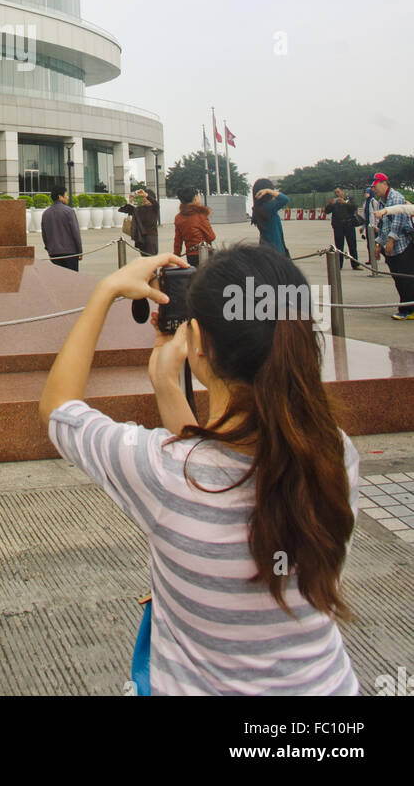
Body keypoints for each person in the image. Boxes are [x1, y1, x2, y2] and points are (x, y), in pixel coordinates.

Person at [39, 245, 359, 695]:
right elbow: (209, 463)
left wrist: (106, 290)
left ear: (201, 344)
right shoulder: (334, 454)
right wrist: (166, 386)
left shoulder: (160, 471)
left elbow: (59, 409)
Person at [370, 173, 414, 320]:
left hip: (402, 245)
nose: (374, 190)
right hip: (392, 247)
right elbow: (384, 225)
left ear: (384, 183)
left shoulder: (395, 197)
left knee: (406, 278)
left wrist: (391, 240)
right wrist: (378, 244)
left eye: (375, 186)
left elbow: (399, 219)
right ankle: (406, 307)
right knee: (398, 278)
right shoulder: (382, 201)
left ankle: (408, 309)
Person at [40, 185, 82, 271]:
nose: (67, 198)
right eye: (66, 195)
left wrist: (49, 249)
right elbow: (75, 233)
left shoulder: (45, 213)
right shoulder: (69, 211)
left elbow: (44, 235)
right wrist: (80, 251)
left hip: (54, 253)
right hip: (70, 253)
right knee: (72, 280)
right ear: (60, 197)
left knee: (59, 281)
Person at [172, 187, 215, 270]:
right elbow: (212, 237)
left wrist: (175, 257)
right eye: (199, 195)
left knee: (195, 278)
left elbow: (178, 241)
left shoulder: (178, 217)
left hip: (190, 255)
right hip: (205, 254)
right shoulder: (200, 215)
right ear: (195, 198)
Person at [250, 178, 289, 255]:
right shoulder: (268, 207)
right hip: (275, 251)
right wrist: (268, 190)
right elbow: (285, 199)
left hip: (266, 249)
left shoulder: (259, 208)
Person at [325, 187, 360, 269]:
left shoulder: (349, 199)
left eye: (338, 192)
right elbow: (327, 211)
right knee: (339, 246)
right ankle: (339, 265)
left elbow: (354, 207)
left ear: (343, 192)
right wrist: (330, 204)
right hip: (338, 226)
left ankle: (355, 264)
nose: (337, 194)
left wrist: (345, 203)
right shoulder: (335, 201)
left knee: (352, 245)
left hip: (349, 225)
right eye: (335, 192)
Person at [122, 187, 159, 256]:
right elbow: (125, 210)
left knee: (151, 261)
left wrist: (146, 195)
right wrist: (130, 201)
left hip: (151, 238)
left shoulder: (154, 208)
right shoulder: (140, 208)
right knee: (144, 260)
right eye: (143, 198)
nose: (144, 199)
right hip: (140, 238)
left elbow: (155, 203)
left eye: (147, 198)